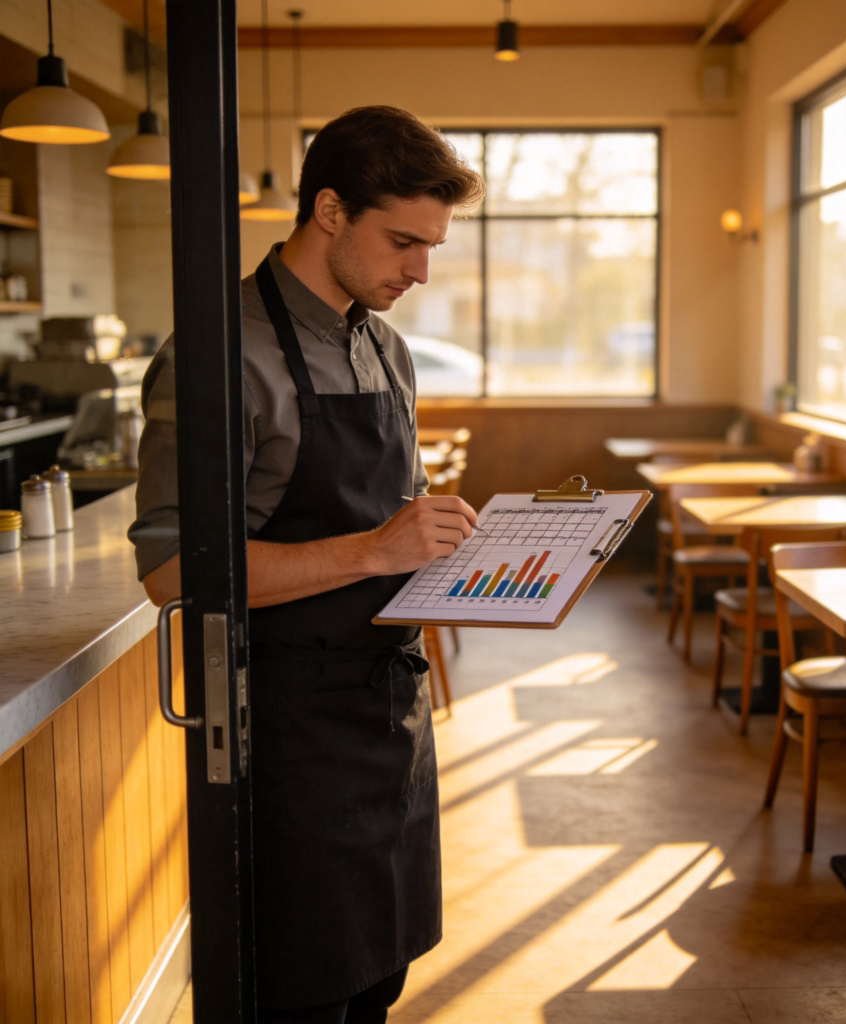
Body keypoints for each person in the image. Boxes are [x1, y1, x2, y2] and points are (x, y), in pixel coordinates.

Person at [128, 105, 485, 1022]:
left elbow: (395, 523)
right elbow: (174, 574)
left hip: (389, 717)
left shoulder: (387, 345)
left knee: (380, 979)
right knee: (302, 989)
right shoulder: (216, 357)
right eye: (403, 241)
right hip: (286, 735)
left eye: (432, 245)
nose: (421, 270)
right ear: (329, 209)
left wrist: (473, 559)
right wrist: (376, 549)